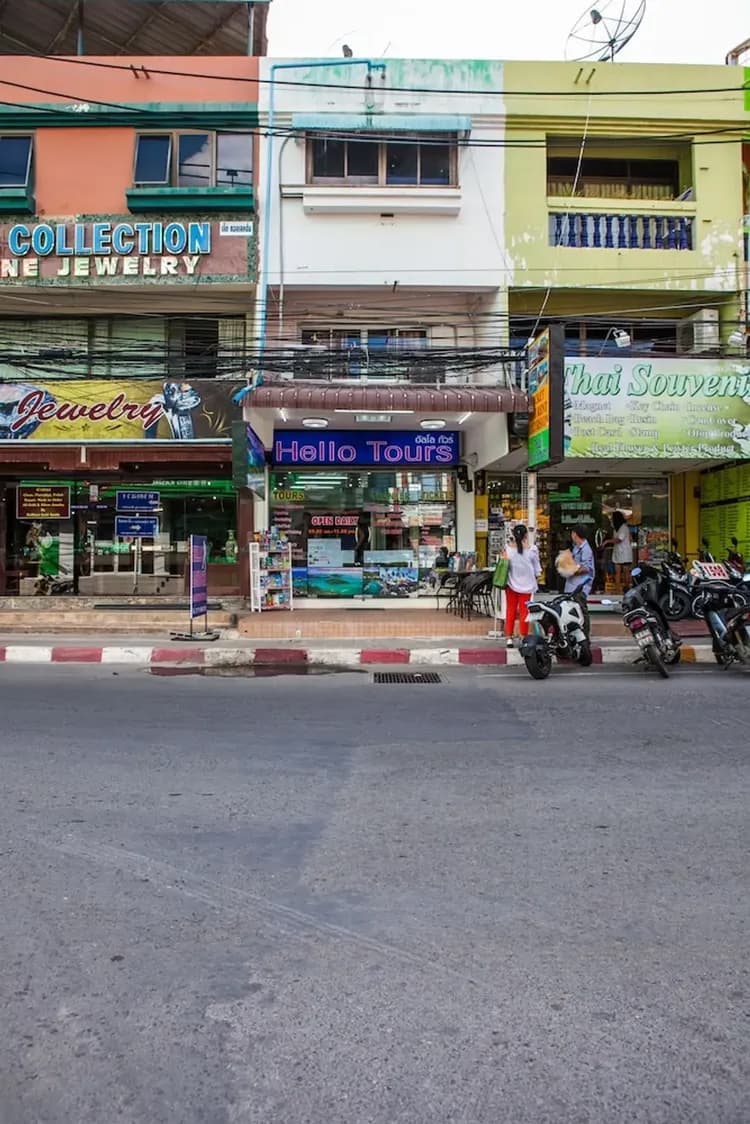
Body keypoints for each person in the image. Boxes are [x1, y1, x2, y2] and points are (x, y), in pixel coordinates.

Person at [505, 524, 541, 648]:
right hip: (527, 586)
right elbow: (537, 570)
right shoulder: (532, 550)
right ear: (526, 535)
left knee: (510, 610)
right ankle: (523, 636)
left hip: (510, 585)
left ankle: (509, 638)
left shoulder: (508, 549)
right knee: (524, 612)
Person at [565, 525, 595, 639]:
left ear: (575, 534)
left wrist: (571, 570)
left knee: (581, 610)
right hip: (572, 585)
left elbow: (586, 568)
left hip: (580, 586)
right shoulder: (577, 547)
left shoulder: (586, 549)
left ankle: (585, 637)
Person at [601, 510, 633, 592]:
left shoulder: (623, 528)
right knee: (617, 572)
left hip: (625, 553)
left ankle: (627, 589)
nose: (611, 520)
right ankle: (617, 589)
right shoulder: (616, 528)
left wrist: (607, 541)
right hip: (617, 553)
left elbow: (619, 539)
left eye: (612, 518)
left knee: (626, 572)